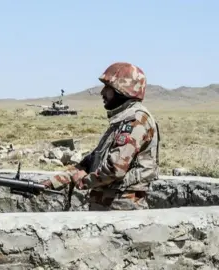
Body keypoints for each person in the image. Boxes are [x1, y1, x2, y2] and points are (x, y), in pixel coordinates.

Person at [41, 62, 161, 211]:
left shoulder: (135, 120)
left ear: (122, 90)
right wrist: (53, 182)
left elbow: (114, 169)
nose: (102, 93)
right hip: (109, 207)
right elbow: (89, 162)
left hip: (121, 209)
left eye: (108, 88)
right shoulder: (120, 121)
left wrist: (84, 181)